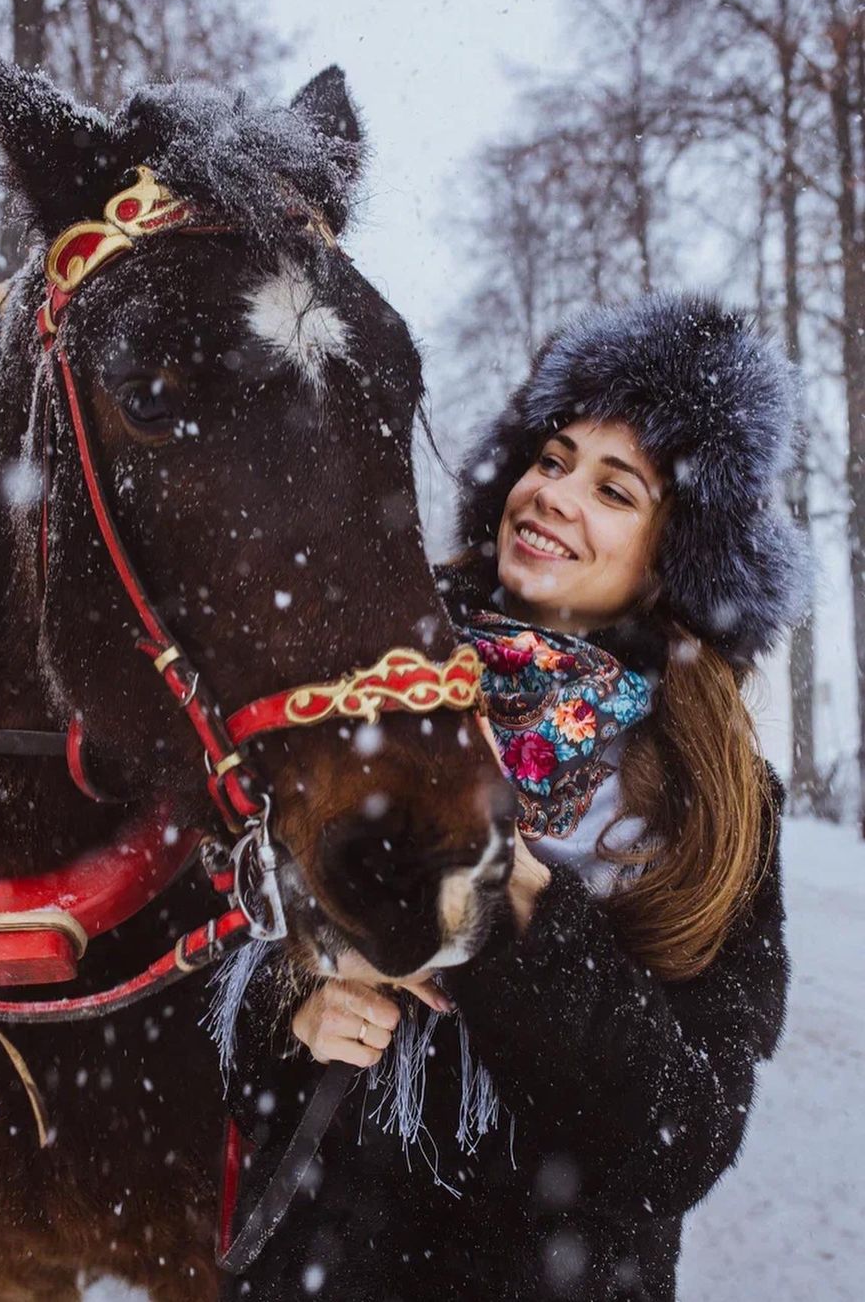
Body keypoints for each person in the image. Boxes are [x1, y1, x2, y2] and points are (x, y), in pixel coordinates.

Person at [216, 292, 806, 1301]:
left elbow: (685, 1139)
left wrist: (525, 915)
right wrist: (291, 1007)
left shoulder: (716, 798)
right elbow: (198, 989)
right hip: (324, 1267)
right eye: (553, 458)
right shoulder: (357, 690)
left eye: (616, 490)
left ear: (676, 563)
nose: (555, 496)